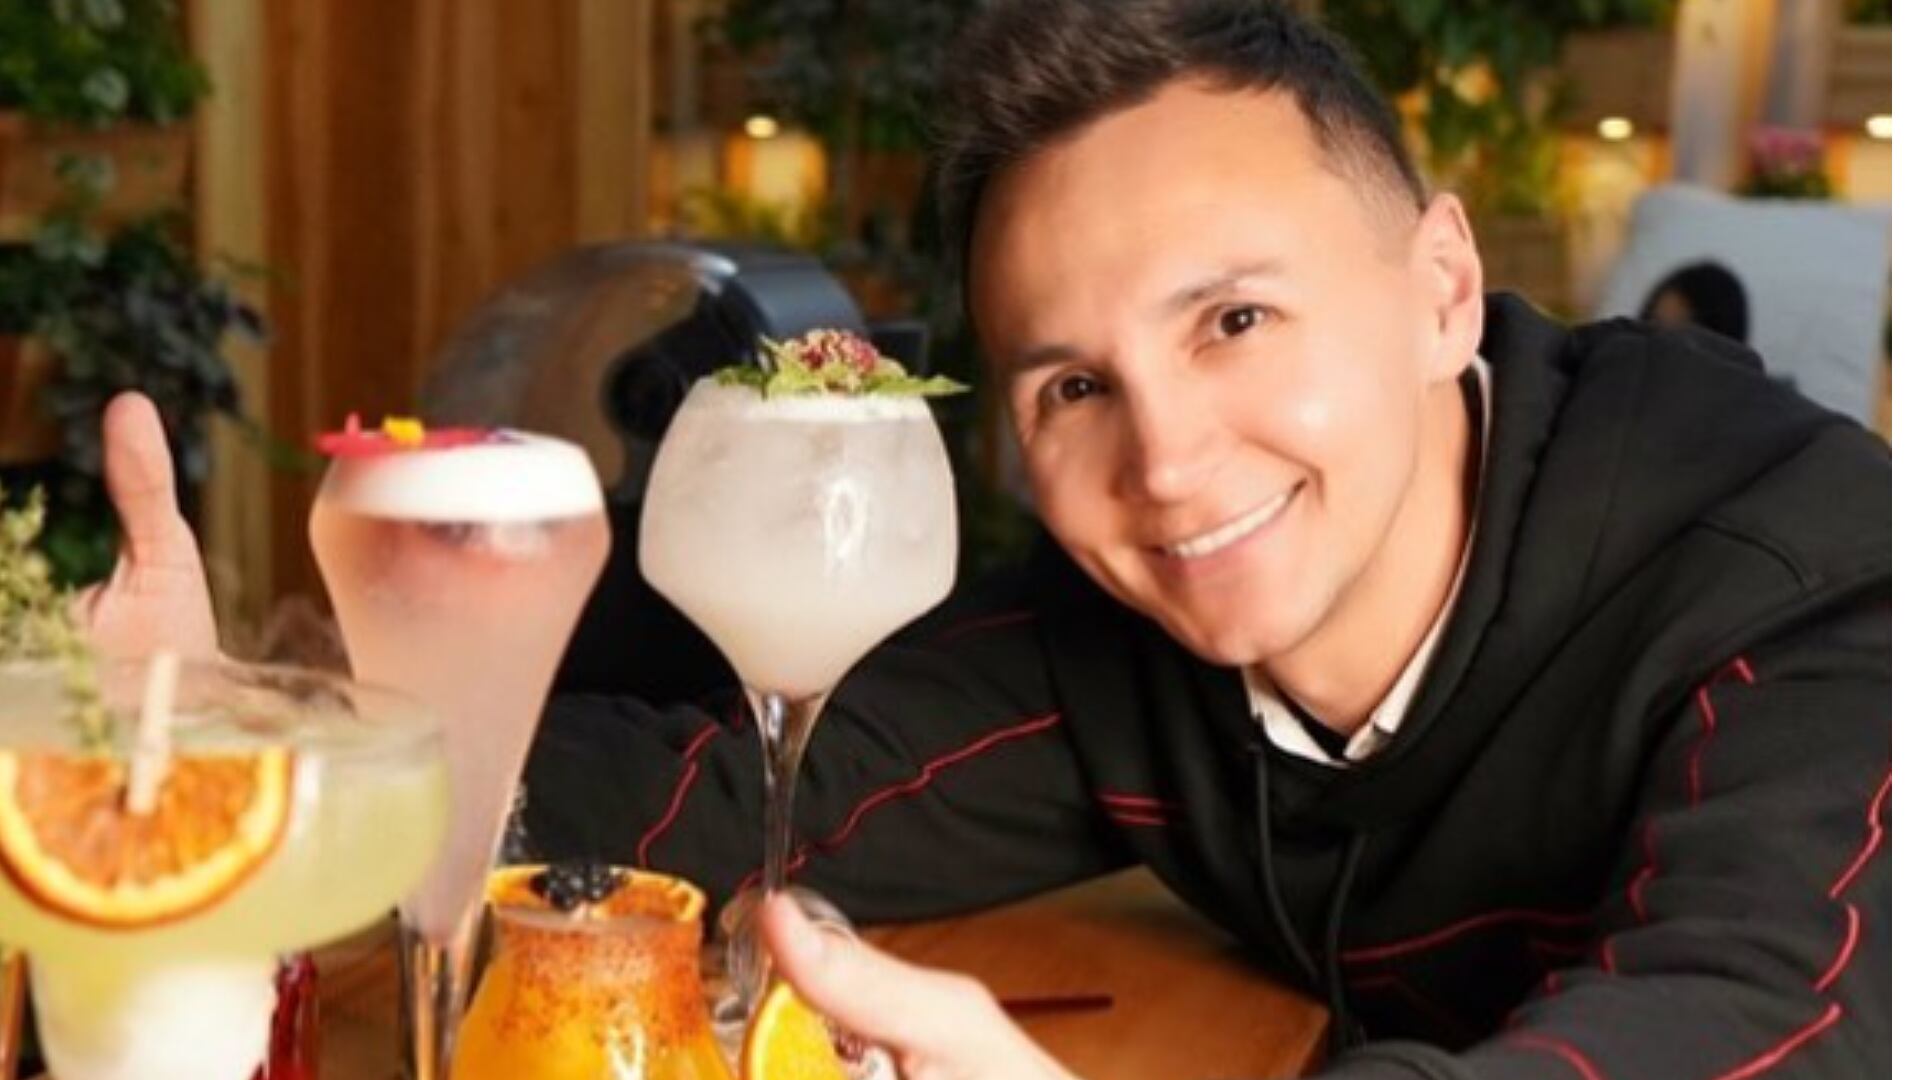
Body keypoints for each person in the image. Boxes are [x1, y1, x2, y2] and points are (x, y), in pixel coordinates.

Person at [82, 1, 1888, 1076]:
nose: (1166, 461)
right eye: (1072, 386)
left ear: (1439, 290)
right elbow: (731, 796)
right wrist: (236, 741)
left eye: (1236, 320)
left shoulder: (1807, 578)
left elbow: (1762, 1022)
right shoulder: (1129, 638)